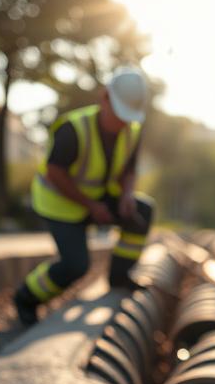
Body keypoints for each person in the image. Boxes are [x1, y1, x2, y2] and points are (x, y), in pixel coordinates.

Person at [14, 65, 154, 326]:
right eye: (119, 113)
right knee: (76, 265)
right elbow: (55, 173)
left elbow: (130, 168)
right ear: (104, 98)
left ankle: (119, 278)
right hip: (61, 205)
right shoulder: (74, 129)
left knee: (142, 211)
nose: (123, 122)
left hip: (98, 200)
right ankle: (26, 297)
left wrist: (126, 195)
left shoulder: (132, 130)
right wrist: (90, 205)